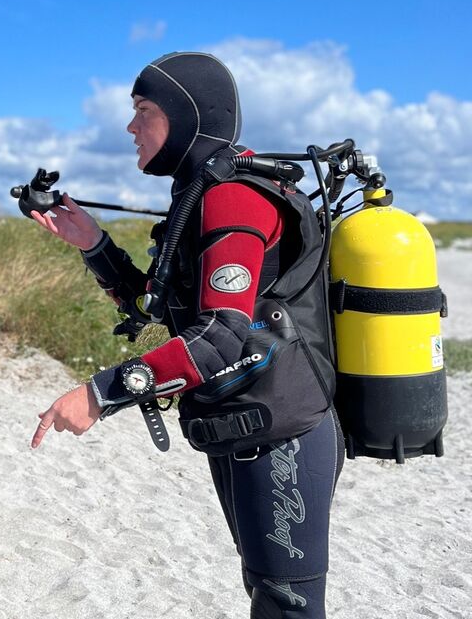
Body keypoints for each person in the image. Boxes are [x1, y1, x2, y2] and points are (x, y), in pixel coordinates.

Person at [28, 51, 344, 618]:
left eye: (143, 110)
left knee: (287, 605)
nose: (130, 127)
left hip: (282, 432)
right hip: (246, 423)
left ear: (185, 113)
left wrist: (102, 394)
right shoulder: (200, 192)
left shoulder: (234, 196)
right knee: (269, 594)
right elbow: (164, 306)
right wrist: (94, 245)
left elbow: (221, 335)